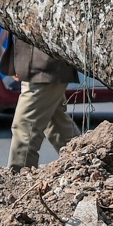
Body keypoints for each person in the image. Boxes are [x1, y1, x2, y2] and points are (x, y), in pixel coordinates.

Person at [8, 35, 79, 169]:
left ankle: (19, 181)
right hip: (38, 61)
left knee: (25, 126)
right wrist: (19, 62)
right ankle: (87, 164)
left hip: (45, 63)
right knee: (55, 122)